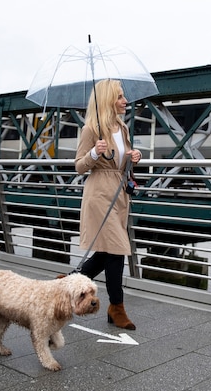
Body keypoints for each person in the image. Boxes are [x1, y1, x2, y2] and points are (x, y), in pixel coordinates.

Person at [74, 79, 142, 330]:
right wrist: (94, 153)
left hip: (119, 194)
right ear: (107, 100)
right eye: (120, 97)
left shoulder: (121, 127)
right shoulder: (92, 128)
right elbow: (79, 166)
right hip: (100, 194)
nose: (125, 101)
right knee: (117, 249)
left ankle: (68, 284)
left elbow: (123, 160)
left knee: (105, 253)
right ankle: (117, 307)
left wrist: (135, 156)